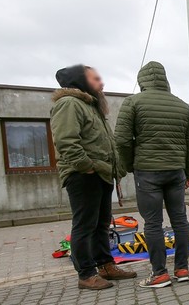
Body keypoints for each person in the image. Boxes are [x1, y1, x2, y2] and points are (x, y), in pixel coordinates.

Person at [50, 64, 136, 290]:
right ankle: (86, 274)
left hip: (101, 174)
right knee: (84, 226)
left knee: (101, 225)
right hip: (84, 176)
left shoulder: (91, 106)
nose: (102, 82)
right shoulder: (69, 104)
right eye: (95, 79)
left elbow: (102, 142)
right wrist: (86, 166)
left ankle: (106, 265)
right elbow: (66, 141)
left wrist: (114, 168)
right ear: (81, 81)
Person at [114, 61, 189, 289]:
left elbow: (121, 140)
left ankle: (159, 274)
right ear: (165, 80)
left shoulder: (132, 103)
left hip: (148, 172)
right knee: (180, 220)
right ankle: (182, 269)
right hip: (176, 172)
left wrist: (130, 165)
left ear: (142, 80)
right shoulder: (182, 106)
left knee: (153, 223)